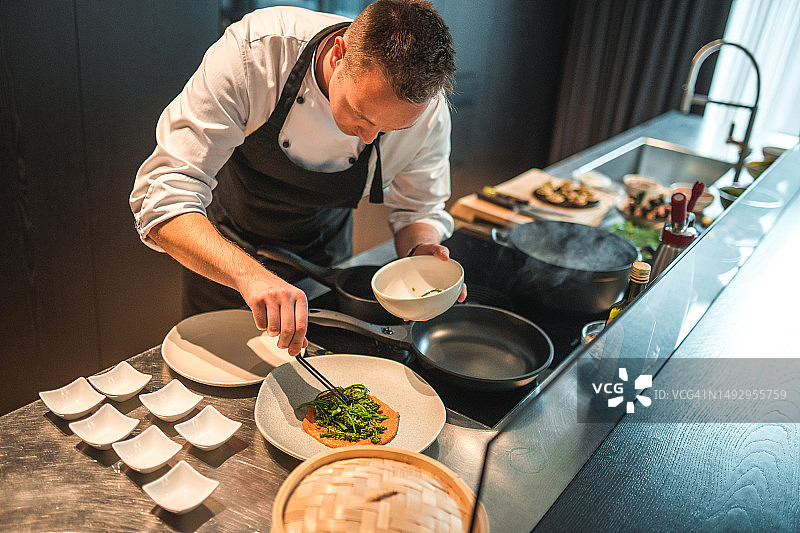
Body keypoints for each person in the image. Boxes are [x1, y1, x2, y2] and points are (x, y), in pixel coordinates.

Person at [130, 0, 465, 357]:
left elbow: (419, 209)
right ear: (339, 54)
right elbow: (163, 197)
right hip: (226, 259)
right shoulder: (256, 53)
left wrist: (421, 253)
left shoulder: (428, 112)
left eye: (390, 130)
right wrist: (249, 275)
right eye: (361, 115)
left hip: (323, 268)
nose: (369, 138)